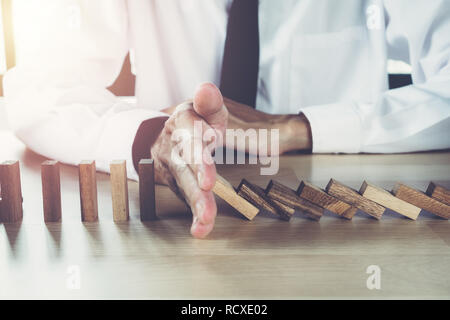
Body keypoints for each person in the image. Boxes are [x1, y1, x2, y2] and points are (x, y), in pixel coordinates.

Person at [4, 0, 450, 238]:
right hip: (172, 215)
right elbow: (38, 87)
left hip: (336, 223)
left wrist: (298, 127)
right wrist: (150, 138)